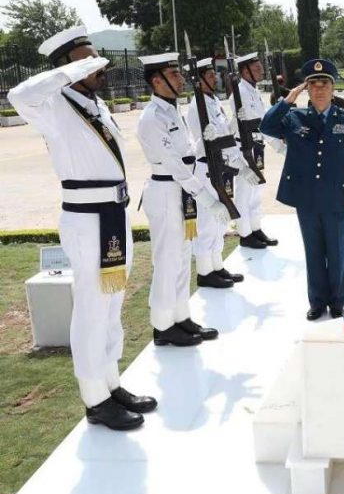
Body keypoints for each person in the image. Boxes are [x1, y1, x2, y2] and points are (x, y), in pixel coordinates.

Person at [9, 26, 156, 430]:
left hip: (114, 214)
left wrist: (81, 71)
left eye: (98, 60)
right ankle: (94, 398)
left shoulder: (94, 104)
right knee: (92, 308)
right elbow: (18, 95)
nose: (100, 67)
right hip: (86, 219)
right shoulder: (54, 105)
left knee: (112, 304)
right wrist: (69, 73)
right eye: (89, 62)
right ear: (67, 68)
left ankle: (110, 382)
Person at [260, 59, 344, 321]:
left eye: (325, 83)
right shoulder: (294, 117)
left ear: (333, 88)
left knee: (338, 251)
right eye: (313, 84)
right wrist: (287, 100)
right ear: (306, 89)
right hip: (306, 197)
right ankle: (317, 301)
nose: (319, 89)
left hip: (336, 196)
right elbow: (266, 127)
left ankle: (337, 301)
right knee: (313, 250)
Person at [136, 52, 222, 347]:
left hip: (181, 191)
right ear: (156, 81)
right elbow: (173, 163)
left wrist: (203, 141)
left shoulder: (172, 110)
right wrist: (207, 197)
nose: (181, 78)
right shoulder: (152, 118)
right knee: (168, 260)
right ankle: (162, 326)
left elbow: (186, 153)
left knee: (183, 256)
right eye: (174, 75)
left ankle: (181, 316)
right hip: (165, 191)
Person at [186, 57, 257, 288]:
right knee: (208, 221)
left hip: (221, 164)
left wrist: (237, 123)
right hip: (206, 166)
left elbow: (225, 136)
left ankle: (217, 265)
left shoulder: (213, 102)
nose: (214, 78)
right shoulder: (196, 106)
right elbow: (197, 143)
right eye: (208, 76)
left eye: (214, 74)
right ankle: (205, 272)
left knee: (220, 221)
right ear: (198, 81)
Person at [229, 52, 280, 249]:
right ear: (245, 71)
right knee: (244, 192)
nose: (261, 71)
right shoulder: (239, 92)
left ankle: (255, 227)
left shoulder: (254, 91)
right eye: (257, 68)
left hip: (257, 146)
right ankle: (244, 233)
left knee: (257, 190)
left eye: (260, 67)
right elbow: (259, 121)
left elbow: (265, 119)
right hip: (244, 148)